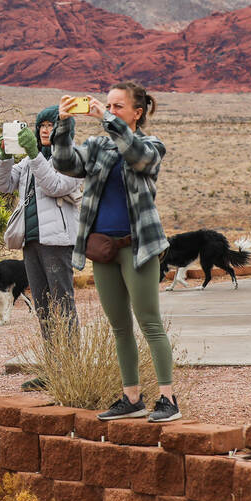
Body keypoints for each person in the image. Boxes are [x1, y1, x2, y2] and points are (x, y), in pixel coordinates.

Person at [51, 81, 180, 422]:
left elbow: (136, 156)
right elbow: (64, 163)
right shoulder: (96, 147)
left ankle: (168, 399)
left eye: (117, 106)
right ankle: (131, 397)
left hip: (138, 247)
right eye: (108, 105)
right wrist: (64, 125)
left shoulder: (152, 146)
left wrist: (107, 121)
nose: (110, 110)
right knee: (119, 326)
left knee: (150, 322)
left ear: (137, 113)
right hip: (103, 250)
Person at [0, 106, 82, 390]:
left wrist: (33, 156)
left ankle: (71, 372)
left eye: (51, 125)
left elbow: (55, 185)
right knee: (43, 307)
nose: (45, 130)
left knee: (63, 304)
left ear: (63, 130)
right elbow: (2, 184)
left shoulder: (72, 159)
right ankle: (53, 371)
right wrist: (4, 156)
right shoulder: (31, 160)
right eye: (41, 124)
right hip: (31, 241)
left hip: (57, 243)